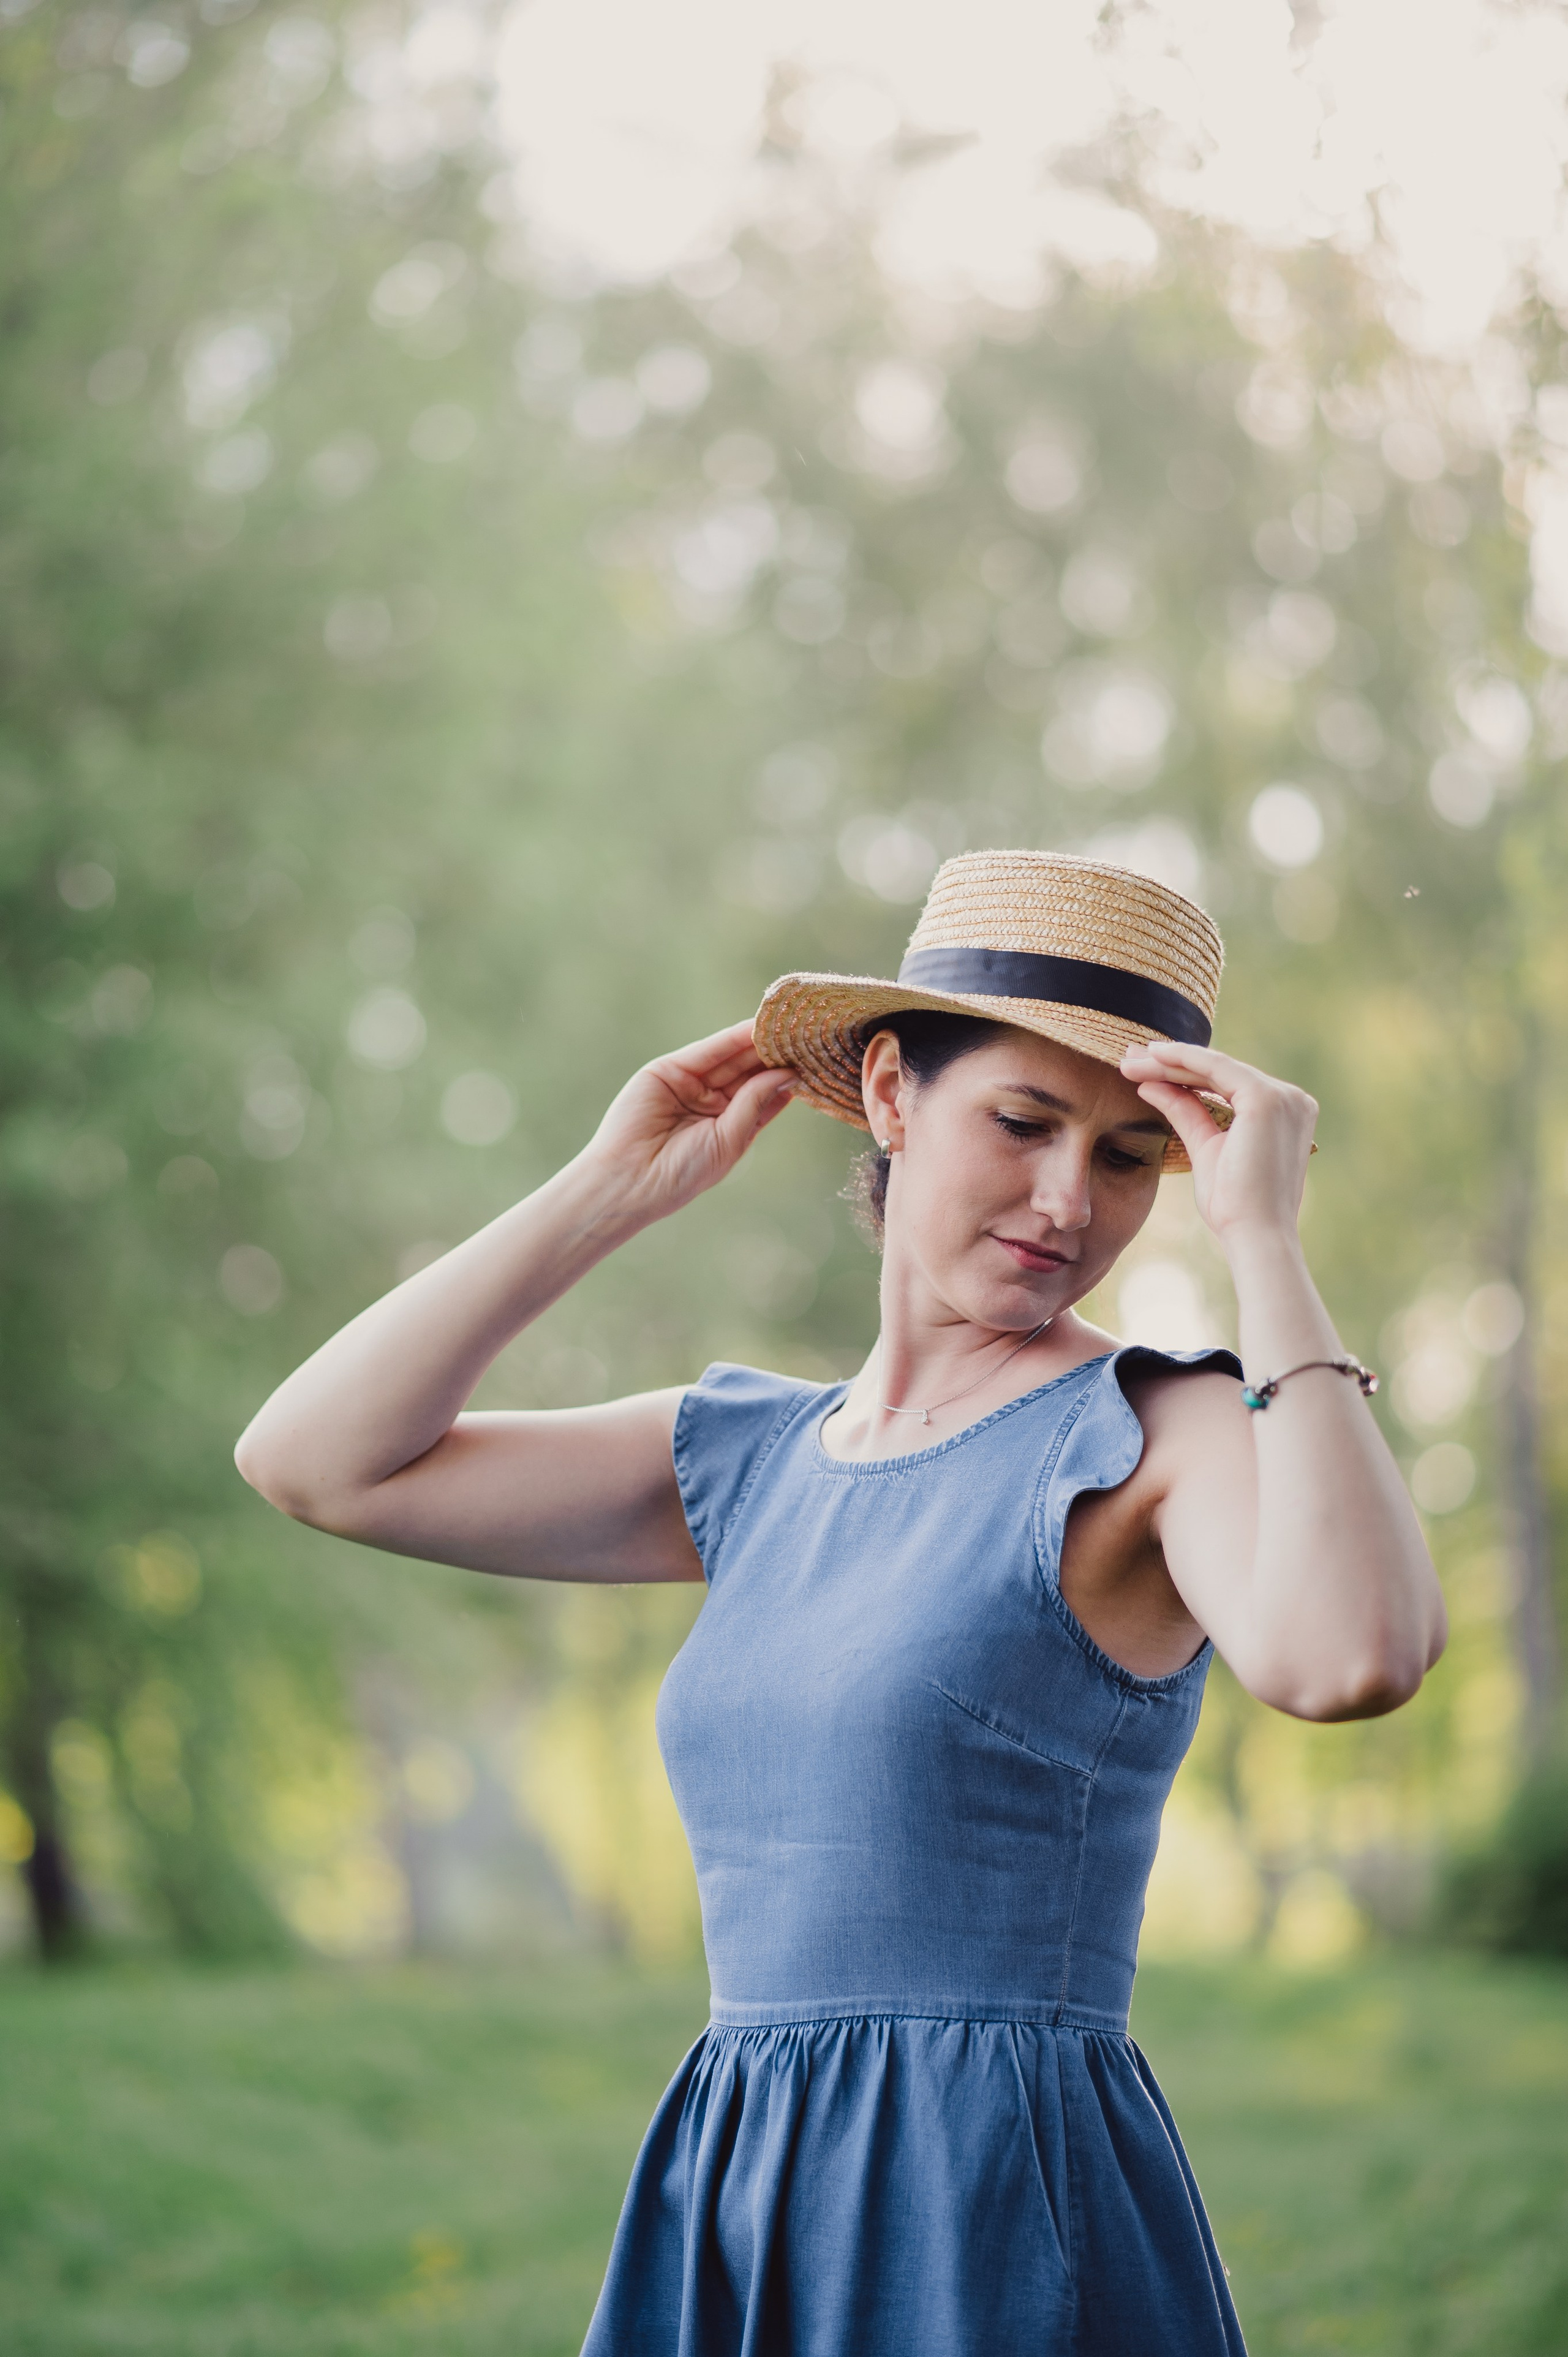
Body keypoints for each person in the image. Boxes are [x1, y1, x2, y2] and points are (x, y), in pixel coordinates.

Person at [236, 849, 1447, 2356]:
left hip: (991, 2200)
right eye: (1020, 1122)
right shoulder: (745, 1455)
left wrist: (1262, 1242)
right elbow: (313, 1463)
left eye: (1132, 1155)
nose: (1069, 1199)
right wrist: (608, 1191)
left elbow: (1353, 1655)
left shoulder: (1159, 1427)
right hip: (741, 2178)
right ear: (888, 1096)